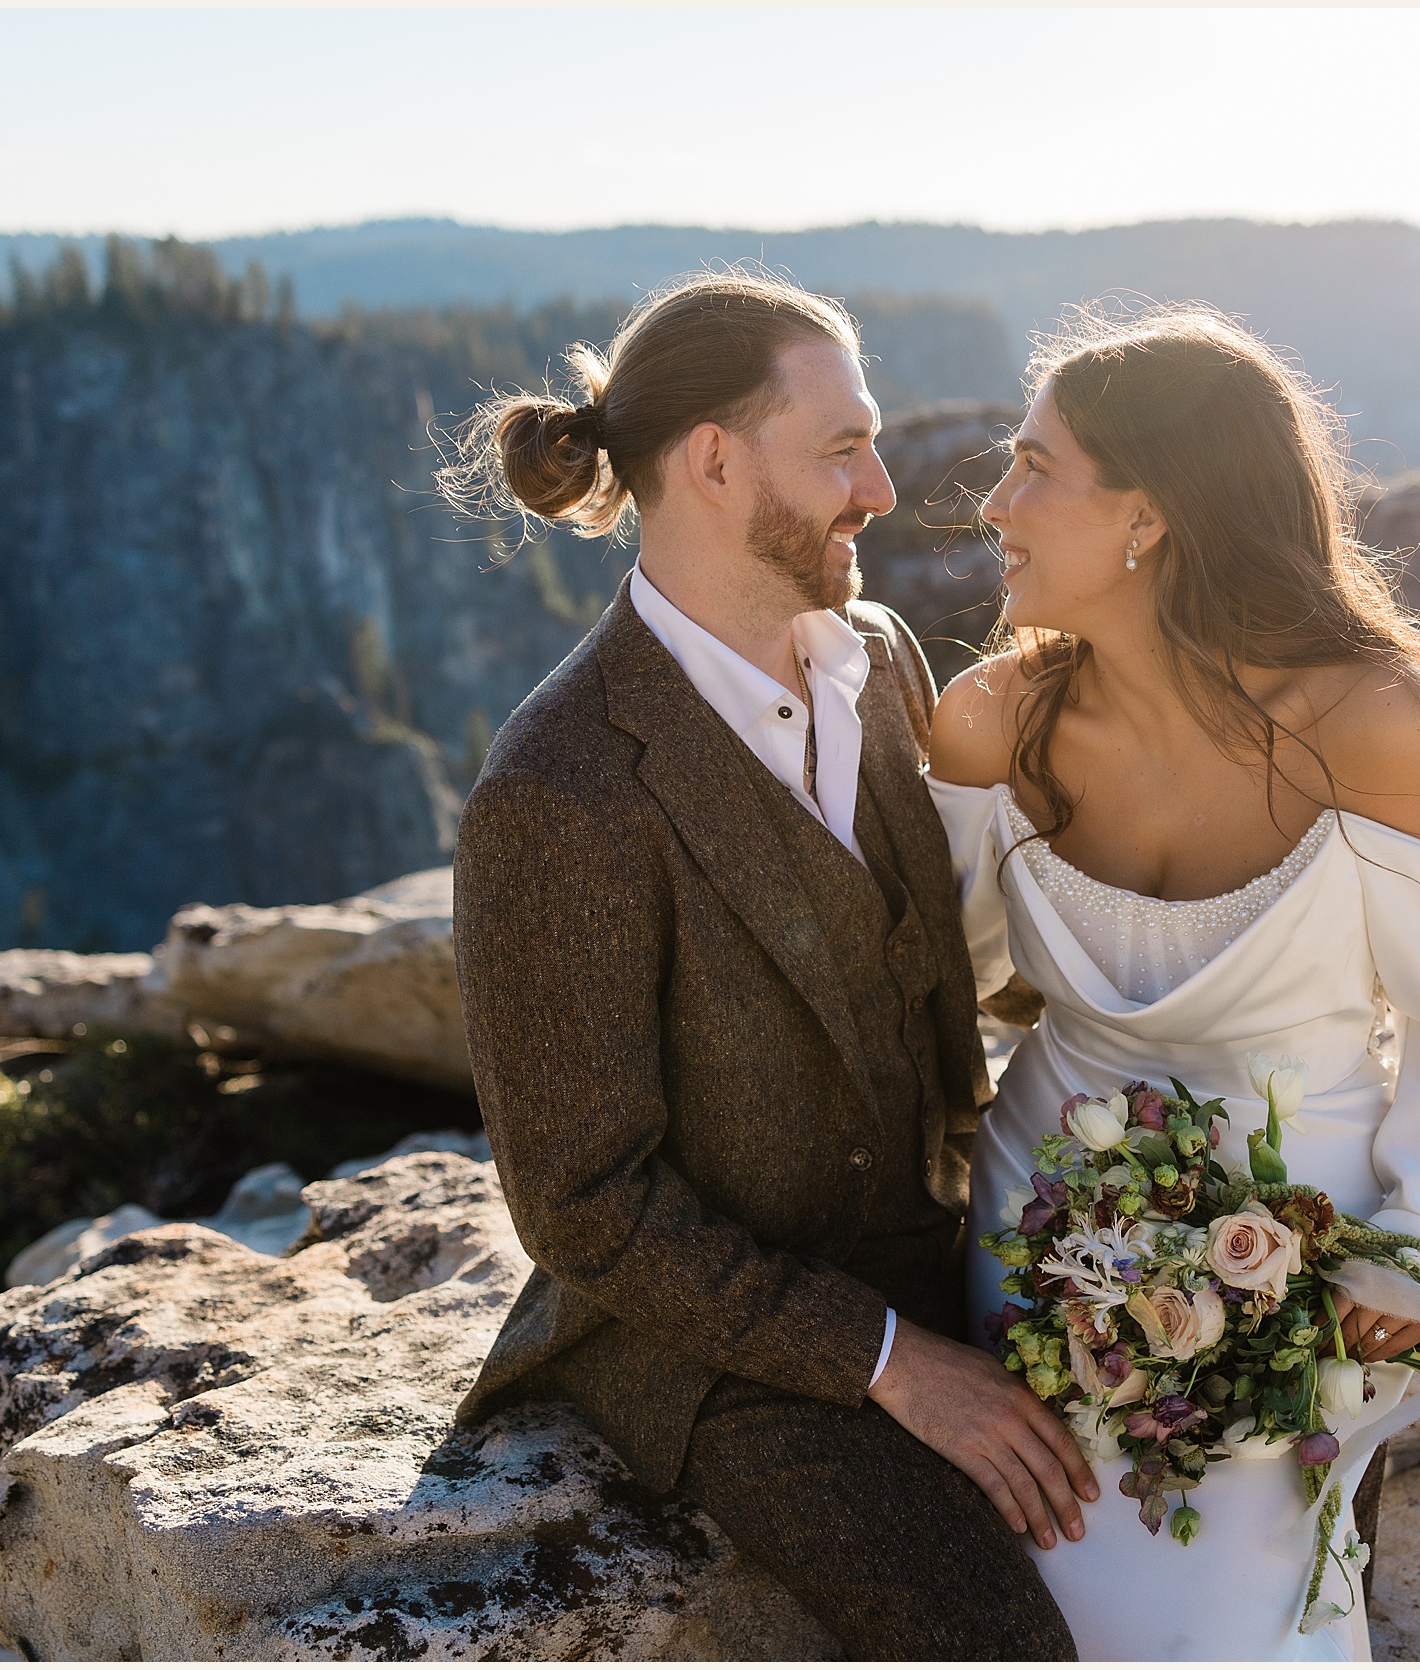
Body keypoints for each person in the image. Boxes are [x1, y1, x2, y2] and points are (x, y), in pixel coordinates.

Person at [434, 270, 1092, 1658]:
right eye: (843, 445)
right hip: (724, 1350)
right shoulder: (558, 790)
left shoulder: (884, 656)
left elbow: (948, 969)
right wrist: (893, 1363)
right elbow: (586, 1207)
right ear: (716, 462)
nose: (883, 485)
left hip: (947, 1257)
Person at [927, 304, 1420, 1660]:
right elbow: (928, 987)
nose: (994, 502)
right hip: (1029, 1242)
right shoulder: (992, 720)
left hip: (1300, 1272)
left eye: (1034, 466)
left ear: (1147, 516)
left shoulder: (1377, 731)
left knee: (1228, 1629)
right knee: (1013, 1610)